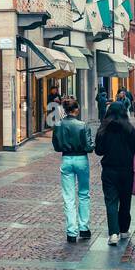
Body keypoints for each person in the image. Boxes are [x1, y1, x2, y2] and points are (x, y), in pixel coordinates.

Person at [96, 102, 135, 246]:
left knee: (111, 201)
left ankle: (113, 233)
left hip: (109, 169)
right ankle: (124, 230)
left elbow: (99, 151)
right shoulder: (129, 128)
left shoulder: (103, 128)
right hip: (126, 170)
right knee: (125, 200)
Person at [51, 96, 95, 243]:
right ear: (76, 109)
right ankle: (84, 228)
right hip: (81, 159)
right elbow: (89, 147)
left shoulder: (58, 125)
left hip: (66, 159)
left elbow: (56, 146)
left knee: (68, 197)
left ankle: (71, 232)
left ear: (65, 110)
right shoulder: (83, 125)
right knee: (83, 194)